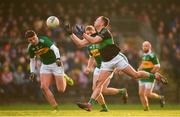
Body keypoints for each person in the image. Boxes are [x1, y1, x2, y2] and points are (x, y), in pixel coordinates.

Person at [71, 16, 168, 111]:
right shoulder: (94, 35)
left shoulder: (105, 31)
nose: (95, 20)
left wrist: (83, 33)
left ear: (102, 23)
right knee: (98, 84)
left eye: (97, 20)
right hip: (106, 63)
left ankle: (155, 76)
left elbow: (94, 40)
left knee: (135, 75)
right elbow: (80, 44)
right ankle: (90, 105)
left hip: (117, 58)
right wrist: (70, 33)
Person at [65, 25, 128, 112]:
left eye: (90, 32)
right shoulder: (89, 45)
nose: (89, 34)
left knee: (98, 88)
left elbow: (117, 54)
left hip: (107, 67)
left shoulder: (100, 39)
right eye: (87, 33)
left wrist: (119, 67)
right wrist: (88, 67)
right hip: (98, 68)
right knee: (100, 90)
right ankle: (120, 93)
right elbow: (91, 56)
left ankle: (95, 106)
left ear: (95, 32)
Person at [26, 30, 73, 111]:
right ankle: (55, 107)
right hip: (45, 65)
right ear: (28, 40)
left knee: (61, 90)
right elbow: (32, 60)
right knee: (43, 87)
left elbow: (55, 49)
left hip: (56, 63)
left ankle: (64, 76)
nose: (33, 41)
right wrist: (32, 72)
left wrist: (58, 59)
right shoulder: (30, 47)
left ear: (36, 35)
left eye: (34, 38)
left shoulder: (43, 40)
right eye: (30, 40)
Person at [138, 41, 165, 111]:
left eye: (146, 46)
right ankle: (146, 108)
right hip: (143, 76)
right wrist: (139, 69)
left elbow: (157, 66)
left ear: (150, 46)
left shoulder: (152, 55)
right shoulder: (144, 55)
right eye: (143, 46)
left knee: (147, 94)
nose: (144, 47)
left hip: (149, 77)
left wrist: (150, 74)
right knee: (141, 93)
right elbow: (143, 64)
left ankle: (160, 98)